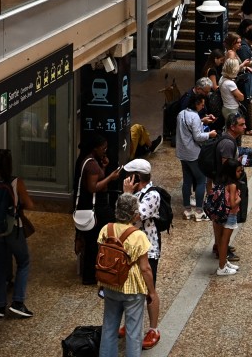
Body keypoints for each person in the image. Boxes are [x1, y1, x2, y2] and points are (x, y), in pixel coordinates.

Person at [97, 193, 159, 357]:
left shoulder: (106, 229)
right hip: (132, 289)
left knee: (109, 328)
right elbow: (145, 268)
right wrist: (151, 291)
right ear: (134, 213)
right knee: (133, 332)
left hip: (110, 284)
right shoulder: (138, 236)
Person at [0, 148, 34, 319]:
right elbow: (29, 204)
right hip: (13, 230)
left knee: (0, 266)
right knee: (23, 261)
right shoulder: (16, 182)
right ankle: (18, 302)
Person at [123, 160, 164, 350]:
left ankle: (154, 329)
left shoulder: (153, 195)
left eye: (129, 175)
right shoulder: (136, 193)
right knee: (130, 287)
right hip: (130, 248)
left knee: (149, 290)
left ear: (136, 177)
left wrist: (127, 195)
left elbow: (132, 217)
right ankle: (129, 323)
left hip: (148, 250)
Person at [75, 133, 124, 285]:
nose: (105, 150)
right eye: (103, 148)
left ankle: (95, 271)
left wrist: (103, 166)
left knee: (93, 239)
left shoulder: (91, 161)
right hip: (97, 208)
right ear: (95, 148)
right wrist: (111, 177)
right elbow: (92, 187)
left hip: (94, 206)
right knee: (98, 239)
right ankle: (94, 273)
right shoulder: (91, 165)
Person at [176, 85, 218, 221]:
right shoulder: (194, 117)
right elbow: (198, 136)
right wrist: (210, 134)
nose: (202, 107)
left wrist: (202, 120)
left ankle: (187, 210)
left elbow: (189, 126)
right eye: (202, 104)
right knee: (201, 180)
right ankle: (199, 212)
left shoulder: (181, 114)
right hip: (193, 153)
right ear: (197, 104)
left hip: (182, 153)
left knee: (187, 181)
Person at [204, 158, 243, 275]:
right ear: (232, 172)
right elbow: (232, 204)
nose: (240, 173)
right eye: (238, 171)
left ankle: (224, 262)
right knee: (225, 241)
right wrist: (239, 199)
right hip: (229, 215)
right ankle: (222, 267)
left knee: (220, 240)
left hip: (219, 214)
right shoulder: (232, 185)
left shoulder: (220, 181)